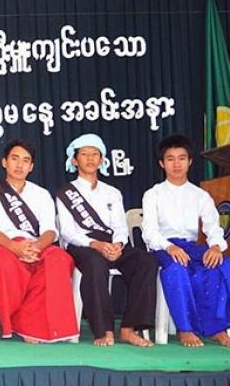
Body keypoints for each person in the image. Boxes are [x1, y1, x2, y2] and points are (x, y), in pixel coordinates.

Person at [141, 134, 230, 347]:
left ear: (190, 161)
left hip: (190, 246)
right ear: (162, 163)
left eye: (182, 158)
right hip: (163, 246)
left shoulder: (200, 195)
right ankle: (185, 329)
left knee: (220, 263)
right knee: (176, 269)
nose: (176, 164)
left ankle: (217, 328)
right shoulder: (153, 194)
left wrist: (216, 246)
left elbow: (213, 228)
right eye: (170, 159)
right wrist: (169, 247)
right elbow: (150, 232)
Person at [56, 134, 157, 346]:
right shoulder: (66, 193)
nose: (90, 158)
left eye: (95, 154)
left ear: (102, 160)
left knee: (146, 261)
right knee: (95, 263)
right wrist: (96, 244)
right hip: (83, 245)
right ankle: (104, 330)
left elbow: (120, 227)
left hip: (112, 243)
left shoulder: (113, 192)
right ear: (75, 160)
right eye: (84, 154)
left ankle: (129, 328)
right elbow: (67, 232)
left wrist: (118, 245)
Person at [0, 139, 78, 343]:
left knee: (60, 259)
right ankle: (18, 322)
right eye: (14, 159)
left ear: (31, 166)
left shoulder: (41, 194)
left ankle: (36, 325)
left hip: (37, 245)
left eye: (25, 161)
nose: (19, 165)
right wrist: (14, 247)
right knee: (4, 263)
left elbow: (50, 230)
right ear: (4, 162)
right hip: (5, 245)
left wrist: (36, 247)